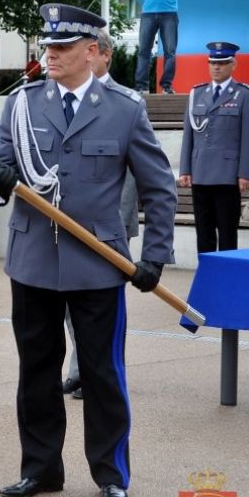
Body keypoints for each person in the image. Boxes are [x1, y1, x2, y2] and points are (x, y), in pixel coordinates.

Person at [0, 4, 176, 497]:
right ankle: (41, 469)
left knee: (102, 372)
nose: (51, 54)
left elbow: (159, 189)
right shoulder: (22, 104)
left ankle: (111, 473)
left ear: (92, 52)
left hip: (97, 264)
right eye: (47, 46)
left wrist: (153, 255)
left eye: (63, 48)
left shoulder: (125, 108)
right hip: (33, 262)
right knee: (36, 372)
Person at [63, 30, 141, 400]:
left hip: (106, 228)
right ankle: (79, 369)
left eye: (90, 53)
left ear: (105, 56)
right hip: (65, 229)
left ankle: (102, 372)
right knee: (69, 306)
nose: (85, 60)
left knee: (104, 311)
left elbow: (134, 176)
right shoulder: (62, 100)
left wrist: (118, 226)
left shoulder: (127, 104)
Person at [178, 41, 249, 254]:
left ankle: (226, 275)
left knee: (227, 232)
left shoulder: (244, 94)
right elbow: (189, 134)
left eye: (223, 63)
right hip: (201, 173)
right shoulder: (197, 93)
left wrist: (245, 173)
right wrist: (185, 169)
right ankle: (206, 274)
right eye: (213, 63)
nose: (216, 67)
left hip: (228, 175)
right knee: (203, 232)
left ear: (233, 64)